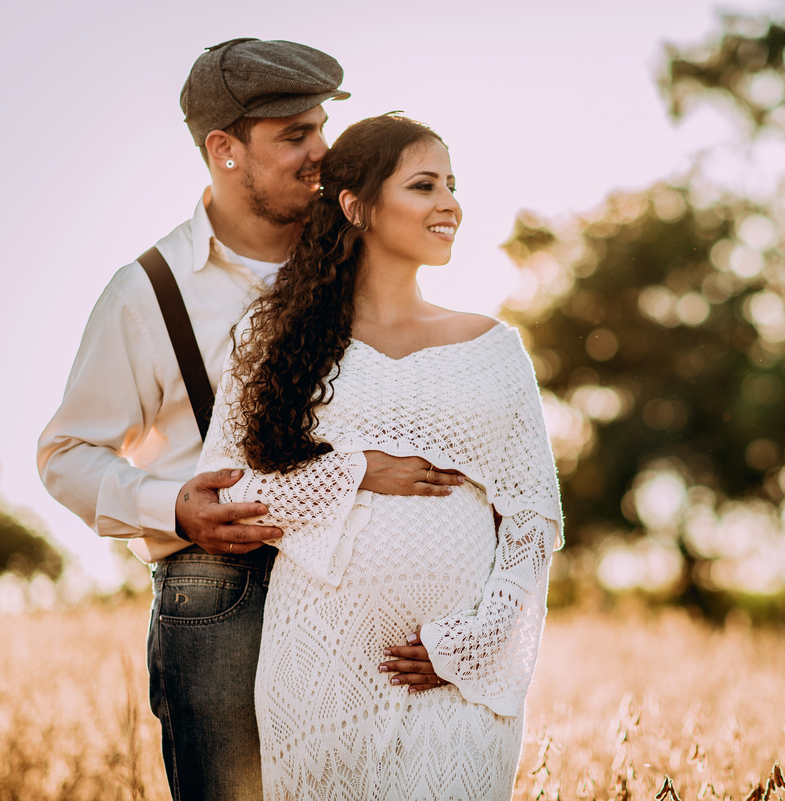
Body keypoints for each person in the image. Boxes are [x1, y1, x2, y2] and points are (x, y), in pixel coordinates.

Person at [37, 40, 462, 800]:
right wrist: (171, 507)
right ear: (224, 149)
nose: (321, 153)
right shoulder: (147, 292)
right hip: (220, 592)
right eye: (294, 135)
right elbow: (67, 453)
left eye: (321, 128)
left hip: (361, 584)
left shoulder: (367, 251)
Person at [195, 113, 562, 800]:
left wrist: (474, 642)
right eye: (424, 185)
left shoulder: (492, 348)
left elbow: (533, 518)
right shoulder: (272, 337)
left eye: (452, 185)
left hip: (454, 676)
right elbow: (226, 491)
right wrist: (354, 469)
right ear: (356, 205)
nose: (449, 202)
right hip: (320, 665)